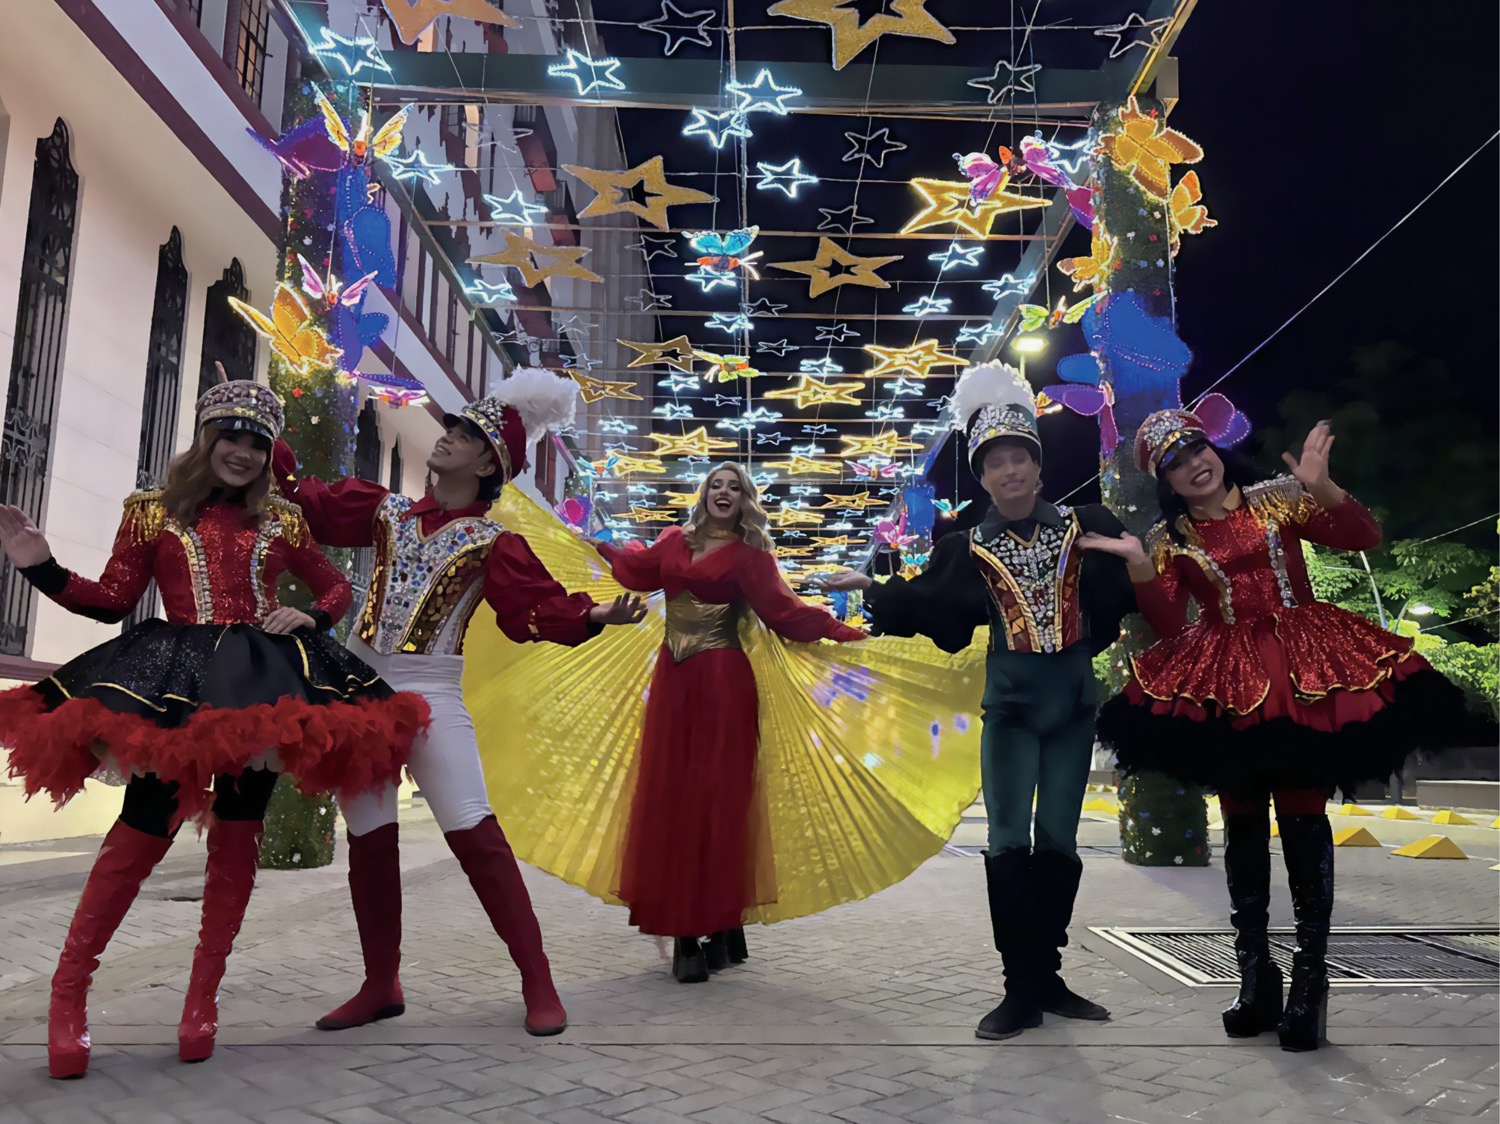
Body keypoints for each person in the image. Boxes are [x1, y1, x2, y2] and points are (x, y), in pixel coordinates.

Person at [0, 377, 429, 1079]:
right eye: (230, 436)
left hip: (256, 686)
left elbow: (336, 586)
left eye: (256, 443)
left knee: (238, 832)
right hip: (173, 683)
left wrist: (312, 616)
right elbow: (112, 600)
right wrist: (40, 568)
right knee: (143, 826)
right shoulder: (152, 512)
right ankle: (67, 1000)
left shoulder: (284, 520)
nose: (242, 452)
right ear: (206, 439)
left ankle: (202, 1002)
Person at [1082, 410, 1492, 1052]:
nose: (1194, 465)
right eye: (1175, 463)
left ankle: (1310, 983)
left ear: (1214, 450)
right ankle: (1255, 977)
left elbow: (1362, 536)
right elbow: (1168, 624)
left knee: (1302, 813)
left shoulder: (1278, 497)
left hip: (1305, 667)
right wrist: (1138, 563)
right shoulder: (1169, 538)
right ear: (1167, 481)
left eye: (1196, 449)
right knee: (1241, 817)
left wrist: (1322, 486)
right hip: (1227, 678)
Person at [272, 366, 645, 1037]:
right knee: (369, 838)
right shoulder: (387, 511)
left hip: (431, 689)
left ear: (488, 463)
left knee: (475, 832)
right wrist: (265, 433)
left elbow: (532, 610)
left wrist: (594, 615)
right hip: (359, 686)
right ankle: (380, 984)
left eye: (467, 434)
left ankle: (538, 980)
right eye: (452, 427)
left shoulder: (493, 543)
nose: (448, 437)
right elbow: (312, 503)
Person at [819, 362, 1136, 1042]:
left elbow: (1125, 596)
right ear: (982, 477)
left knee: (1060, 841)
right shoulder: (968, 546)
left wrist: (1137, 561)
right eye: (995, 463)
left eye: (1020, 457)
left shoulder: (1085, 526)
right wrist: (871, 588)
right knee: (1006, 840)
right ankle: (1019, 987)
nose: (1009, 471)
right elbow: (929, 604)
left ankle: (1046, 976)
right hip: (1011, 710)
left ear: (1039, 466)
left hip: (1074, 707)